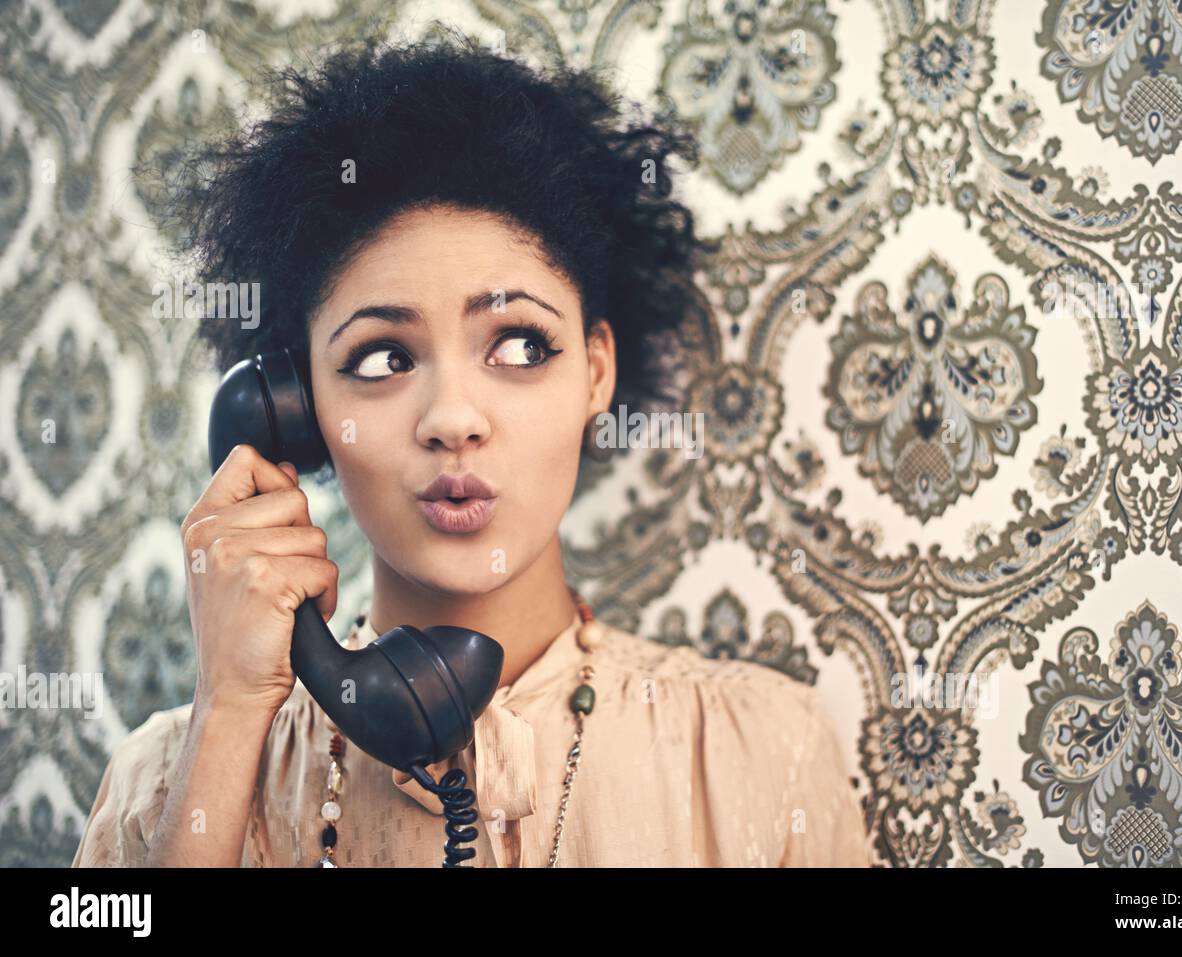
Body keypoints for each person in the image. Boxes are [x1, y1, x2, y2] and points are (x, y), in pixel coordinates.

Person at [71, 27, 876, 868]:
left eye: (520, 345)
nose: (453, 417)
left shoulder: (760, 759)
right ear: (296, 412)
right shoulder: (164, 781)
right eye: (383, 358)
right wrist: (229, 715)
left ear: (596, 373)